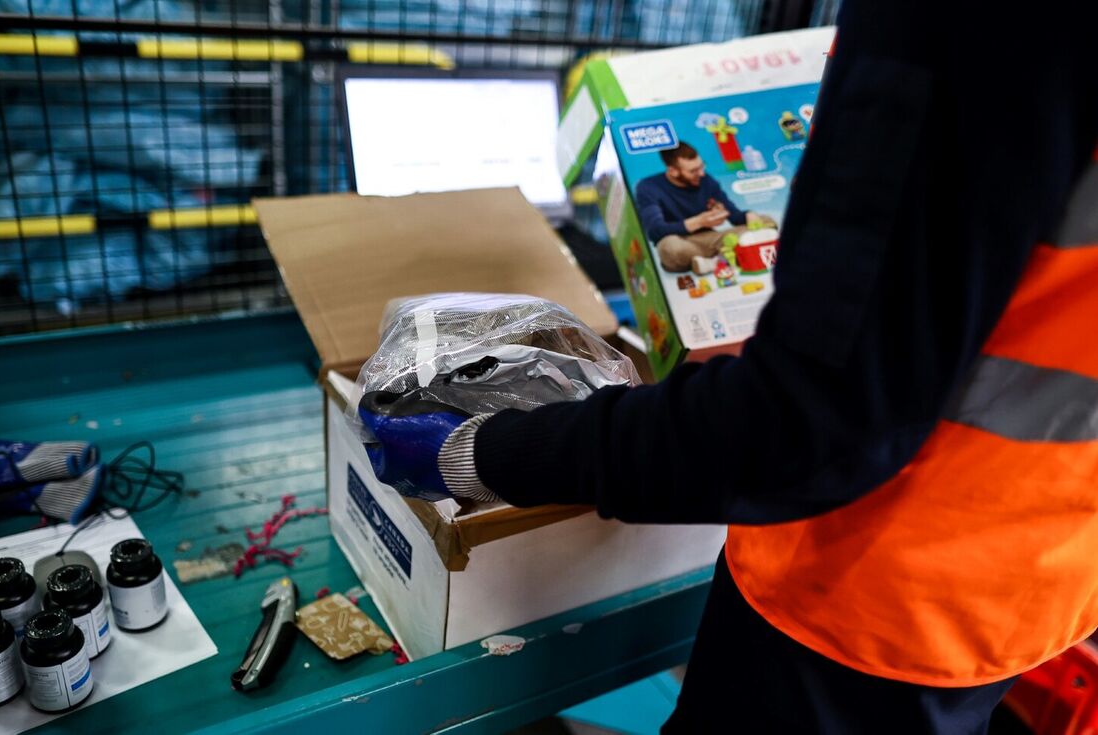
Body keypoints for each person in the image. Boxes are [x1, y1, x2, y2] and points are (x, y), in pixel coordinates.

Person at [358, 1, 1098, 732]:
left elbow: (804, 424)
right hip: (1031, 574)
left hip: (862, 596)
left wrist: (476, 452)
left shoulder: (966, 22)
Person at [635, 141, 762, 274]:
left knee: (765, 221)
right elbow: (655, 231)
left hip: (712, 239)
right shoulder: (649, 187)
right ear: (673, 171)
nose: (701, 173)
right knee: (669, 248)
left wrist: (748, 215)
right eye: (693, 171)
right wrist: (699, 222)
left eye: (702, 166)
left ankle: (713, 262)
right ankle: (725, 256)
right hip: (681, 243)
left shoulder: (706, 181)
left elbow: (734, 216)